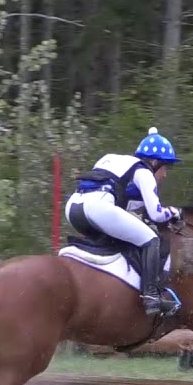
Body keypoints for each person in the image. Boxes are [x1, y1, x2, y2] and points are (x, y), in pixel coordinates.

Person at [65, 127, 184, 317]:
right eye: (165, 167)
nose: (165, 175)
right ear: (154, 162)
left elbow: (122, 200)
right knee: (151, 240)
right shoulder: (144, 172)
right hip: (98, 208)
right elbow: (156, 214)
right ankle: (151, 296)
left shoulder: (112, 159)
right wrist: (175, 212)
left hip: (73, 208)